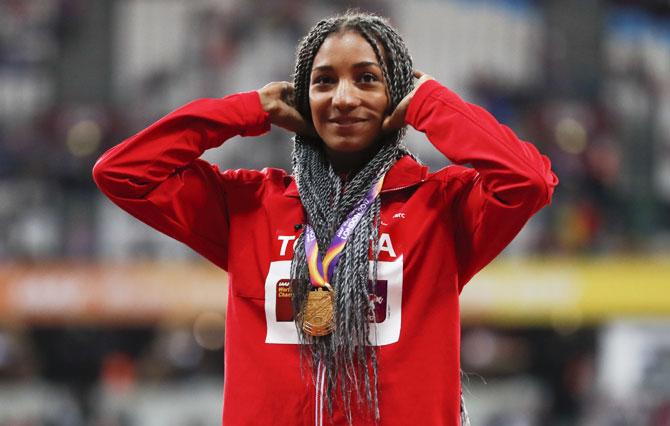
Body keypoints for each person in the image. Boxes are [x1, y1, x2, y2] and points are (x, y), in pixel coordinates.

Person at [93, 11, 558, 426]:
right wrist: (246, 110)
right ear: (300, 98)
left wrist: (431, 104)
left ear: (398, 96)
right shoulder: (252, 205)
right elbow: (122, 173)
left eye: (367, 79)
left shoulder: (440, 206)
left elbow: (529, 182)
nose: (343, 98)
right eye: (323, 81)